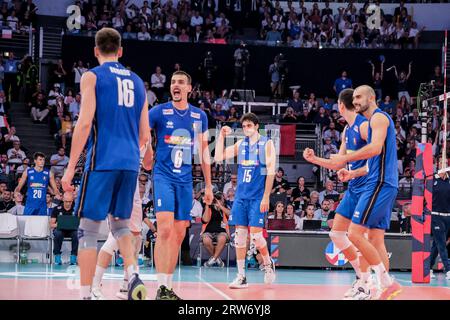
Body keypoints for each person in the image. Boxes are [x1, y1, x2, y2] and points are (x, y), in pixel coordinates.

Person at [61, 28, 150, 300]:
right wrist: (143, 159)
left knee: (88, 229)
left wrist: (69, 167)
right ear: (121, 51)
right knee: (122, 224)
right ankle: (133, 272)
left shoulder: (92, 76)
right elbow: (145, 135)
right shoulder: (137, 81)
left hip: (103, 160)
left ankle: (86, 295)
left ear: (96, 50)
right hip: (130, 163)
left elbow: (85, 122)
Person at [330, 85, 402, 300]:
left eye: (360, 97)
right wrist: (349, 171)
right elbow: (369, 158)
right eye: (354, 98)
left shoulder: (379, 118)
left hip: (380, 182)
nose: (357, 101)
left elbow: (374, 149)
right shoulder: (369, 124)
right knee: (376, 239)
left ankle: (382, 283)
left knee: (353, 233)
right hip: (378, 182)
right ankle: (380, 289)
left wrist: (344, 159)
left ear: (372, 97)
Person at [146, 70, 213, 299]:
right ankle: (160, 287)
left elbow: (204, 152)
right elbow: (142, 130)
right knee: (164, 230)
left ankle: (168, 286)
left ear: (189, 88)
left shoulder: (199, 117)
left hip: (185, 181)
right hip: (163, 176)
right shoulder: (159, 111)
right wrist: (146, 149)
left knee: (177, 234)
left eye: (181, 82)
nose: (176, 85)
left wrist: (209, 185)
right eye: (173, 82)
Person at [304, 88, 372, 299]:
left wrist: (352, 173)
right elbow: (338, 162)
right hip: (353, 189)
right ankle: (361, 278)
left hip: (369, 188)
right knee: (336, 234)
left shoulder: (363, 126)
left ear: (341, 106)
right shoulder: (346, 131)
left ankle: (368, 285)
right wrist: (315, 159)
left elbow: (374, 163)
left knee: (360, 237)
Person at [215, 112, 276, 289]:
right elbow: (219, 157)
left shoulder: (267, 143)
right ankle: (241, 276)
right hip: (241, 197)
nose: (246, 129)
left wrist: (266, 196)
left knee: (256, 236)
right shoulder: (241, 144)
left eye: (249, 125)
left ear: (256, 126)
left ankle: (267, 262)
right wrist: (220, 136)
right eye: (244, 126)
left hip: (257, 197)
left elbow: (270, 171)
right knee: (240, 237)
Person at [429, 158, 450, 280]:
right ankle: (448, 270)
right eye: (441, 163)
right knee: (441, 243)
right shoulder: (432, 180)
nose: (443, 165)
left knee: (437, 245)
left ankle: (428, 268)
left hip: (448, 217)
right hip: (436, 216)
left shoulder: (449, 181)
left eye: (445, 163)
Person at [201, 191, 230, 267]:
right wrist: (207, 205)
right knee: (206, 240)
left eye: (220, 199)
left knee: (222, 238)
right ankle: (216, 259)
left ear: (223, 200)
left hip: (222, 232)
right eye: (216, 199)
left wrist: (220, 206)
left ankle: (213, 259)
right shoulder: (208, 207)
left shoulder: (225, 208)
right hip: (208, 231)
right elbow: (205, 220)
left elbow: (231, 215)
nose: (218, 200)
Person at [50, 192, 78, 265]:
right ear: (63, 200)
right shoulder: (56, 209)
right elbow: (51, 224)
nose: (68, 203)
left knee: (77, 234)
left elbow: (81, 223)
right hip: (60, 229)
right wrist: (59, 224)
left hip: (72, 230)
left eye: (70, 202)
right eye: (66, 201)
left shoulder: (76, 209)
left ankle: (73, 256)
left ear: (72, 201)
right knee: (58, 234)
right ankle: (57, 256)